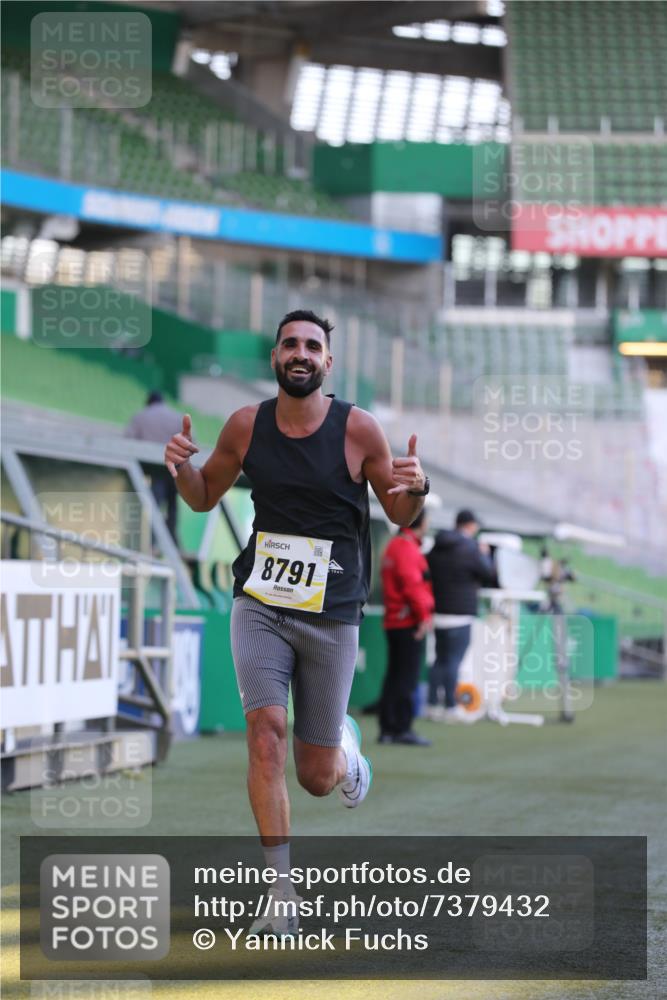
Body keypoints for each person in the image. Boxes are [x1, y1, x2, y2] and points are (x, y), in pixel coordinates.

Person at [164, 309, 430, 934]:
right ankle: (280, 893)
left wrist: (416, 487)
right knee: (264, 734)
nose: (301, 353)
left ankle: (343, 751)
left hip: (332, 612)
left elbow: (401, 516)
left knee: (314, 777)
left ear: (327, 363)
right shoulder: (245, 426)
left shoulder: (358, 429)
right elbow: (204, 494)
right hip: (259, 601)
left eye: (313, 345)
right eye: (290, 344)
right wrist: (179, 465)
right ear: (276, 357)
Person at [425, 509, 498, 723]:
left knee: (439, 660)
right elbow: (489, 573)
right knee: (453, 661)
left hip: (439, 611)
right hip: (461, 613)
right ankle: (450, 706)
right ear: (470, 525)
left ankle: (431, 705)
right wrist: (484, 554)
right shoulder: (470, 547)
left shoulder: (437, 546)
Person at [378, 508, 434, 746]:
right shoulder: (406, 548)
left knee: (396, 675)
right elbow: (413, 586)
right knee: (406, 677)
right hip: (407, 621)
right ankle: (400, 728)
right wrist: (423, 617)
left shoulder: (395, 545)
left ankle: (389, 728)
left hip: (396, 619)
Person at [126, 391, 183, 542]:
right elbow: (190, 441)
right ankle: (171, 539)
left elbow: (128, 441)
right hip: (174, 467)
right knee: (172, 504)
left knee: (154, 503)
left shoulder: (141, 416)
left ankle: (150, 540)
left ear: (149, 402)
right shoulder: (177, 417)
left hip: (153, 467)